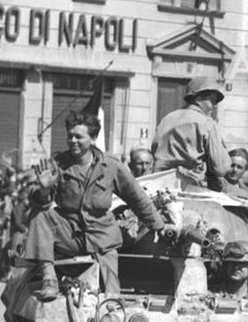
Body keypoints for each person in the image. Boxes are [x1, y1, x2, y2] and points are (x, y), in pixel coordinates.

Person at [23, 112, 168, 301]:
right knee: (40, 214)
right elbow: (36, 201)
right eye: (70, 136)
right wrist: (43, 190)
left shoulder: (111, 166)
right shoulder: (58, 164)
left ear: (93, 139)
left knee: (111, 298)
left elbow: (138, 199)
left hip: (102, 238)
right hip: (70, 235)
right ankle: (49, 278)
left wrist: (160, 227)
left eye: (79, 137)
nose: (72, 141)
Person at [153, 74, 234, 190]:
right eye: (212, 101)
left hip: (159, 186)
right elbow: (220, 168)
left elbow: (154, 148)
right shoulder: (206, 123)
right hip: (189, 188)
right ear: (198, 99)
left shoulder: (166, 119)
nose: (213, 107)